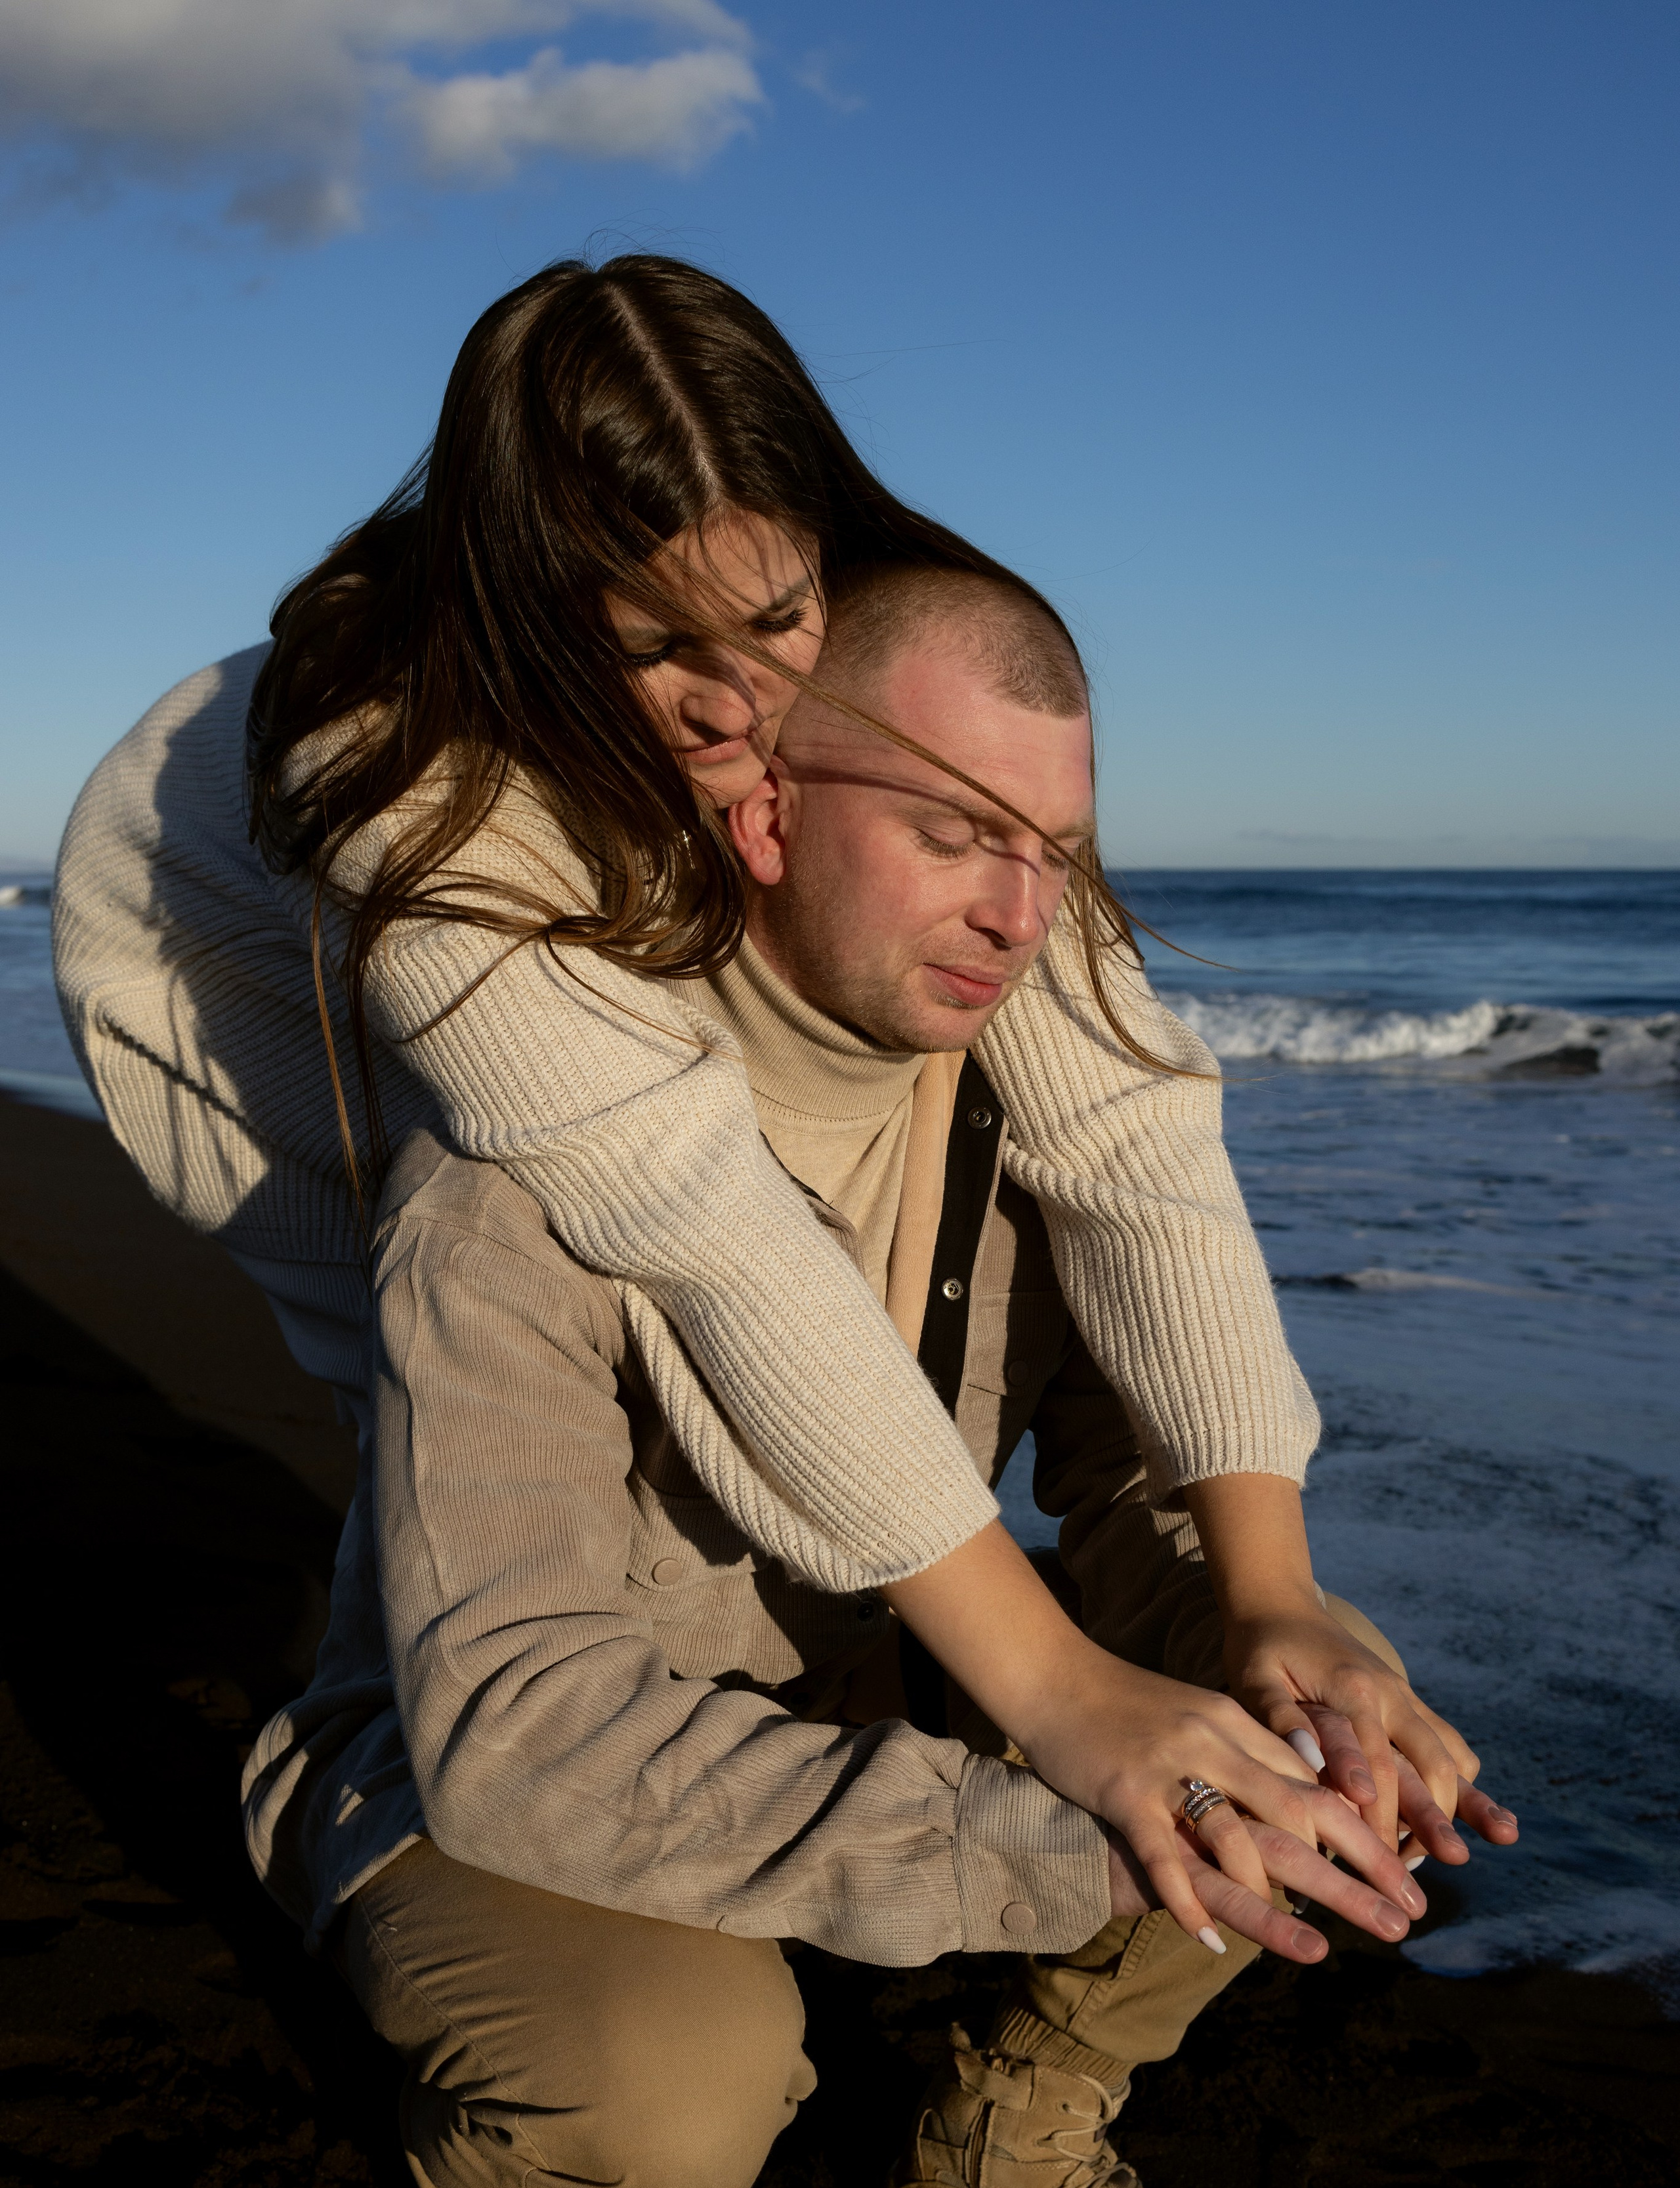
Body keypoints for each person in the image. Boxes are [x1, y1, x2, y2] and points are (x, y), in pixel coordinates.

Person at [51, 253, 1466, 1918]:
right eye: (659, 642)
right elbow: (698, 1216)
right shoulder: (410, 780)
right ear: (535, 608)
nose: (739, 696)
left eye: (777, 615)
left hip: (558, 842)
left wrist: (1275, 1587)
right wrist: (1061, 1699)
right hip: (225, 1001)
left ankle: (743, 1724)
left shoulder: (863, 616)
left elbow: (1132, 1125)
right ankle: (398, 1783)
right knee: (486, 1317)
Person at [254, 563, 1516, 2188]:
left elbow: (1141, 1474)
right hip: (500, 1755)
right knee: (679, 2106)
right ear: (768, 801)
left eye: (1057, 855)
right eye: (953, 833)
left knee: (1313, 1731)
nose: (1022, 916)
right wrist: (1071, 1833)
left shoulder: (1025, 1093)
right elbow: (515, 1730)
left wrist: (1299, 1655)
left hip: (876, 1674)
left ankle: (1014, 2136)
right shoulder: (523, 1159)